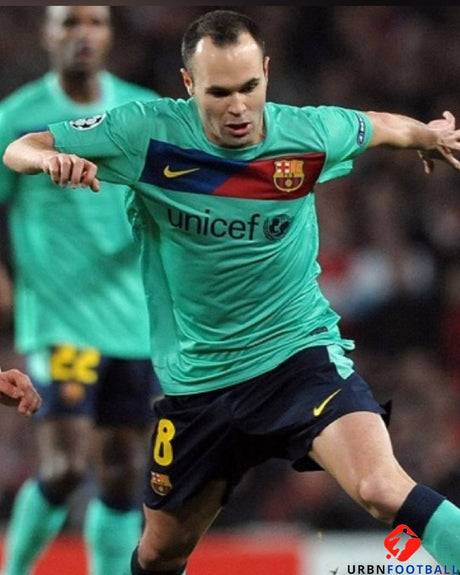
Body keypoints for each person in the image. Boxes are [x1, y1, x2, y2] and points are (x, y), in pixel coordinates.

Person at [3, 9, 460, 575]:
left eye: (249, 87)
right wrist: (49, 159)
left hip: (297, 359)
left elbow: (379, 126)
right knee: (160, 552)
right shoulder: (146, 132)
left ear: (266, 71)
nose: (239, 107)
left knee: (380, 486)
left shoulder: (308, 134)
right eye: (219, 93)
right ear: (188, 83)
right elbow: (20, 146)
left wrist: (428, 135)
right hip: (200, 384)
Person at [0, 6, 162, 575]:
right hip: (59, 317)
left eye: (94, 22)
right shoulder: (16, 117)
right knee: (65, 467)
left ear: (110, 33)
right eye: (69, 22)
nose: (83, 34)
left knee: (123, 475)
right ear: (47, 34)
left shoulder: (142, 110)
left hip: (133, 320)